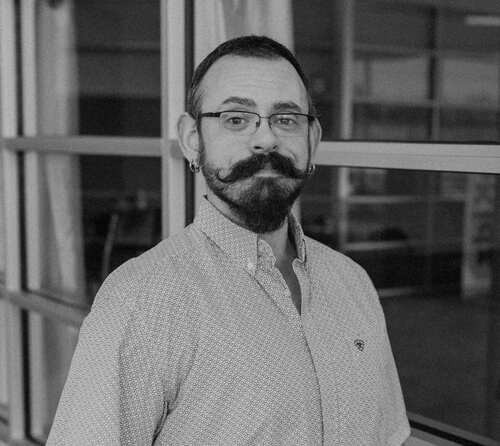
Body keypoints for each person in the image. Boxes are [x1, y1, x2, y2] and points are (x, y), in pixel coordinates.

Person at [47, 35, 411, 445]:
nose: (266, 139)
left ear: (312, 139)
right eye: (236, 119)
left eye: (286, 119)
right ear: (192, 139)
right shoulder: (140, 302)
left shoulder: (352, 282)